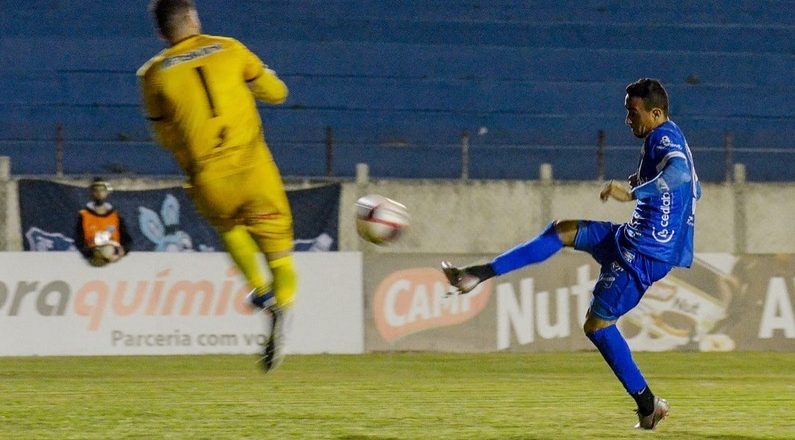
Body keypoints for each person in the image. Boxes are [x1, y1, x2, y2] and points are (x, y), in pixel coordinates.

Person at [442, 78, 701, 430]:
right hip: (631, 238)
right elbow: (693, 185)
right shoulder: (671, 136)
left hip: (643, 253)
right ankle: (477, 274)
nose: (628, 119)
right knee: (562, 230)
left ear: (656, 113)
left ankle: (648, 405)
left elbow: (682, 174)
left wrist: (635, 191)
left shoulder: (663, 137)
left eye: (633, 112)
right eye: (627, 111)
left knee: (598, 325)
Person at [138, 0, 297, 372]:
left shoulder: (152, 74)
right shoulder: (230, 48)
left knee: (229, 228)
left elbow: (164, 135)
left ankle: (261, 292)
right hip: (255, 169)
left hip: (209, 177)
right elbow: (277, 93)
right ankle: (284, 306)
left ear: (161, 32)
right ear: (194, 18)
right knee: (282, 259)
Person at [75, 177, 132, 267]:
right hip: (91, 262)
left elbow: (126, 238)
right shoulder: (83, 215)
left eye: (102, 190)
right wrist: (89, 254)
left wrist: (123, 250)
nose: (99, 193)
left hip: (114, 261)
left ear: (107, 193)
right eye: (96, 190)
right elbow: (78, 239)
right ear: (91, 193)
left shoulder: (115, 216)